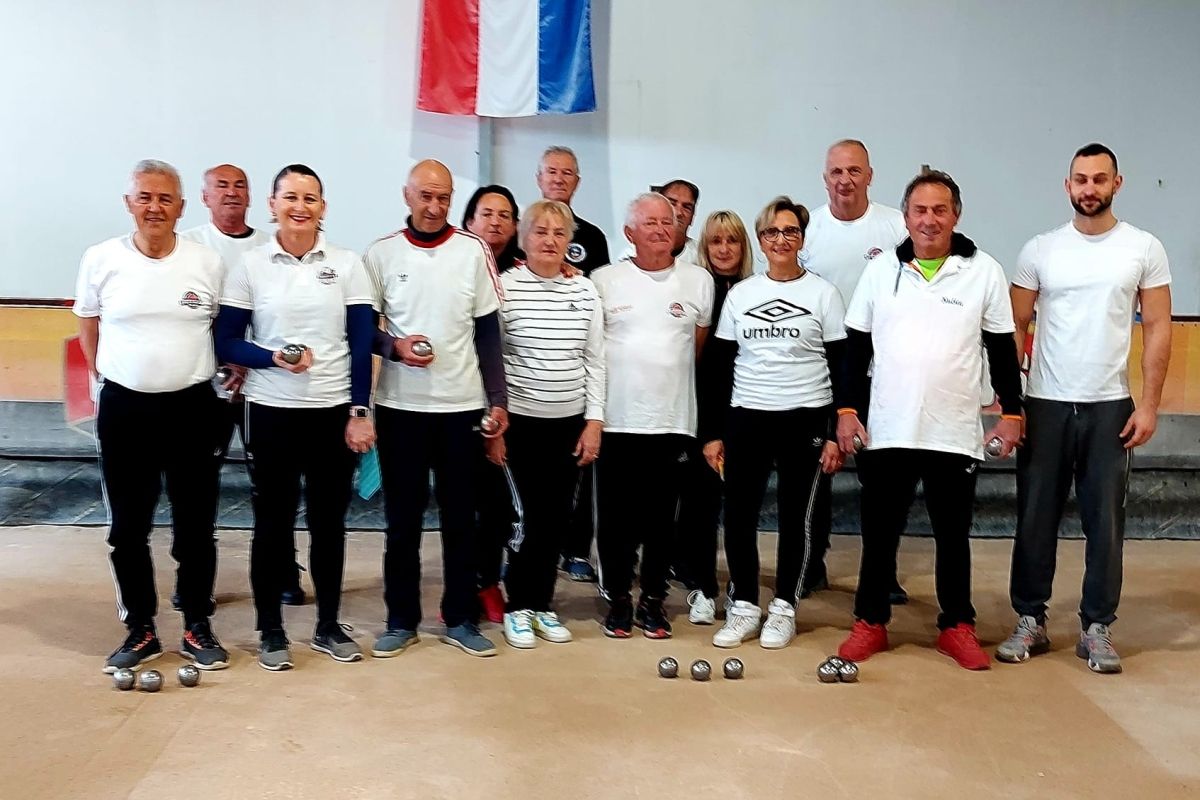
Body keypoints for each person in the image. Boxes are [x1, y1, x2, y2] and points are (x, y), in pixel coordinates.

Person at [835, 170, 1023, 671]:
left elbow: (1002, 349)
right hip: (888, 428)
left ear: (955, 215)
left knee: (953, 536)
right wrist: (848, 411)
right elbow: (856, 347)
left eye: (940, 210)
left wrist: (1012, 411)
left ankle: (957, 626)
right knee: (879, 535)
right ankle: (870, 622)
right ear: (906, 216)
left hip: (954, 430)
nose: (929, 219)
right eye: (920, 210)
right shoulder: (881, 271)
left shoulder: (984, 271)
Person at [997, 143, 1172, 673]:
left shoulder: (1143, 248)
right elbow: (1014, 325)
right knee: (1034, 518)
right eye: (1080, 179)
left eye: (1099, 179)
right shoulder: (1040, 249)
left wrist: (1149, 406)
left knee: (1106, 523)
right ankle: (1030, 618)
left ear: (1117, 183)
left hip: (1110, 408)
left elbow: (1158, 326)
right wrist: (1011, 404)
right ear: (1067, 185)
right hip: (1045, 404)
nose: (1089, 188)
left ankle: (1097, 626)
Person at [215, 164, 377, 671]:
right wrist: (272, 358)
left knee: (329, 525)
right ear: (272, 204)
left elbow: (361, 343)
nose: (300, 207)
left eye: (310, 198)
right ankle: (271, 631)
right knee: (273, 524)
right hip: (270, 412)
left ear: (323, 207)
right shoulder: (250, 265)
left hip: (332, 413)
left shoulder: (347, 264)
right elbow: (226, 340)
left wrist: (360, 411)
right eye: (290, 197)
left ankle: (328, 626)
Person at [75, 159, 229, 673]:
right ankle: (140, 627)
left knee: (196, 527)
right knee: (127, 528)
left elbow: (220, 328)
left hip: (193, 408)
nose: (155, 207)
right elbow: (88, 321)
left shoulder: (206, 262)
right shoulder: (101, 258)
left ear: (181, 207)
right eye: (145, 197)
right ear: (129, 204)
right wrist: (104, 376)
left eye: (165, 199)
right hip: (125, 410)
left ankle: (196, 625)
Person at [366, 159, 508, 659]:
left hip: (461, 407)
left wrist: (498, 400)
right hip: (401, 407)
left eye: (443, 197)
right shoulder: (381, 253)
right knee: (402, 521)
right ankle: (400, 620)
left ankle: (461, 618)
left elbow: (488, 332)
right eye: (425, 196)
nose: (434, 206)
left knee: (461, 520)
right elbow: (364, 330)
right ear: (407, 195)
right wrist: (395, 348)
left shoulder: (473, 251)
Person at [700, 197, 846, 649]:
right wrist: (713, 432)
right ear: (761, 241)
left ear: (801, 238)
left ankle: (784, 607)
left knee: (795, 518)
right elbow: (720, 367)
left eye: (790, 231)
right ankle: (744, 605)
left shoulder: (823, 294)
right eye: (771, 232)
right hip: (748, 417)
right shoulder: (742, 295)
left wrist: (834, 433)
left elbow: (841, 365)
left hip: (805, 417)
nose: (781, 239)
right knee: (739, 515)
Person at [180, 164, 307, 608]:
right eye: (221, 186)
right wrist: (222, 361)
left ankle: (283, 572)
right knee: (196, 487)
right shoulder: (189, 247)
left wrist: (250, 362)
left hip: (262, 384)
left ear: (253, 198)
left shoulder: (269, 246)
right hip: (204, 385)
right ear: (204, 196)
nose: (231, 193)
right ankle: (193, 582)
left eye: (240, 186)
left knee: (273, 487)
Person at [592, 192, 714, 639]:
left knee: (663, 521)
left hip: (673, 421)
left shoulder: (698, 281)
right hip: (617, 421)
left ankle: (653, 600)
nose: (663, 229)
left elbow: (696, 349)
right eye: (651, 222)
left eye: (669, 221)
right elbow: (592, 352)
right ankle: (618, 599)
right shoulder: (603, 280)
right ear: (630, 233)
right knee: (616, 521)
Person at [488, 199, 605, 649]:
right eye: (541, 231)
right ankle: (518, 607)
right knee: (525, 520)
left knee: (556, 520)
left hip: (569, 424)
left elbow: (595, 361)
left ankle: (542, 605)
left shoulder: (585, 290)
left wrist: (594, 421)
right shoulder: (505, 288)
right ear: (523, 238)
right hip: (519, 425)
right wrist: (495, 425)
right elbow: (491, 360)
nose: (550, 240)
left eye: (559, 233)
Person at [801, 140, 908, 601]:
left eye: (854, 171)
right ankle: (811, 564)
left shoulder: (896, 226)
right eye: (836, 172)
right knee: (816, 471)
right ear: (825, 178)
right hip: (819, 367)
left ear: (869, 175)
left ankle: (882, 571)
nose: (845, 180)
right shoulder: (808, 230)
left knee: (882, 477)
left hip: (879, 368)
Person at [675, 210, 754, 625]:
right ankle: (702, 588)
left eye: (732, 240)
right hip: (701, 413)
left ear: (744, 246)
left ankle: (742, 589)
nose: (724, 249)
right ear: (704, 248)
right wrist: (708, 432)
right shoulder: (696, 290)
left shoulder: (755, 291)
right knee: (700, 509)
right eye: (715, 241)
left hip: (745, 415)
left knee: (741, 509)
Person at [536, 146, 610, 582]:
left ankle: (577, 549)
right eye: (552, 171)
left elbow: (596, 296)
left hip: (574, 371)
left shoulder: (593, 237)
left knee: (579, 469)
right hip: (530, 377)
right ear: (539, 178)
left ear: (577, 182)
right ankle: (526, 546)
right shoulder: (525, 229)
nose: (559, 179)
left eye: (567, 173)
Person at [463, 184, 522, 622]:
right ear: (469, 222)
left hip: (513, 401)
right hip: (462, 398)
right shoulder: (457, 266)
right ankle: (463, 585)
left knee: (502, 505)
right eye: (487, 214)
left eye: (505, 215)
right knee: (464, 502)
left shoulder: (526, 271)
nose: (496, 222)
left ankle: (489, 581)